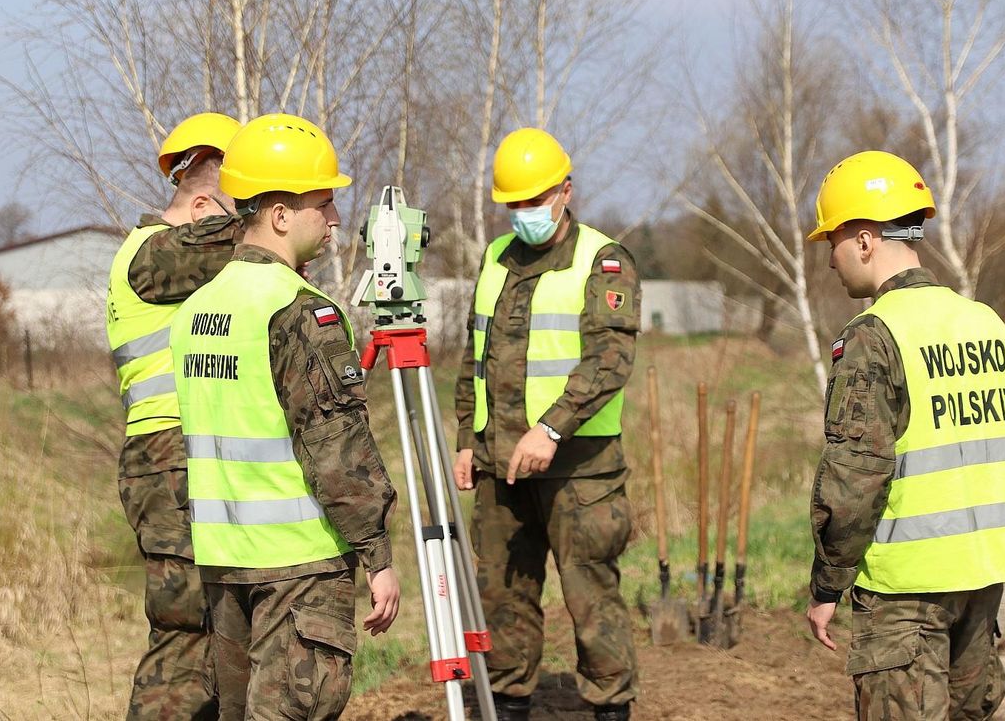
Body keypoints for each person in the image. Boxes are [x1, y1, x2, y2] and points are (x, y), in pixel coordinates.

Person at [169, 112, 400, 720]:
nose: (334, 220)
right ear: (279, 215)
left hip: (224, 565)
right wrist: (377, 557)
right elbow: (338, 451)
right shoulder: (299, 311)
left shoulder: (196, 309)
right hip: (298, 567)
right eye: (322, 204)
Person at [803, 151, 1005, 720]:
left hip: (906, 596)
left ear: (864, 239)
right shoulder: (987, 322)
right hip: (981, 579)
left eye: (832, 241)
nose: (830, 260)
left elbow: (855, 478)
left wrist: (828, 585)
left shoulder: (875, 337)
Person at [453, 127, 640, 721]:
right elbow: (474, 354)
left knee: (592, 602)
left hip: (579, 471)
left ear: (566, 190)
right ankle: (508, 705)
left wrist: (552, 428)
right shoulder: (494, 259)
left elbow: (610, 359)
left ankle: (609, 707)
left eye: (535, 200)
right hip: (499, 465)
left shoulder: (604, 261)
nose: (525, 213)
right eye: (515, 203)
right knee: (502, 598)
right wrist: (467, 438)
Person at [106, 111, 242, 720]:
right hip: (167, 463)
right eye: (236, 211)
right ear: (203, 206)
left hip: (186, 460)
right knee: (185, 636)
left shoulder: (175, 265)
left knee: (213, 633)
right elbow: (255, 241)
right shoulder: (152, 256)